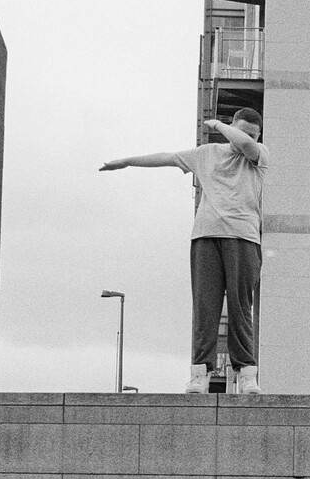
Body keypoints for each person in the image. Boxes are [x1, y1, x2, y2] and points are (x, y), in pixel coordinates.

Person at [100, 108, 268, 395]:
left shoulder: (259, 154)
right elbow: (166, 158)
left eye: (252, 135)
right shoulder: (206, 154)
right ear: (233, 126)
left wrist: (218, 125)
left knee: (241, 307)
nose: (246, 138)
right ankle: (199, 374)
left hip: (243, 237)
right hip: (205, 236)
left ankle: (246, 374)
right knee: (205, 308)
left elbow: (245, 145)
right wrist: (127, 161)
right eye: (242, 131)